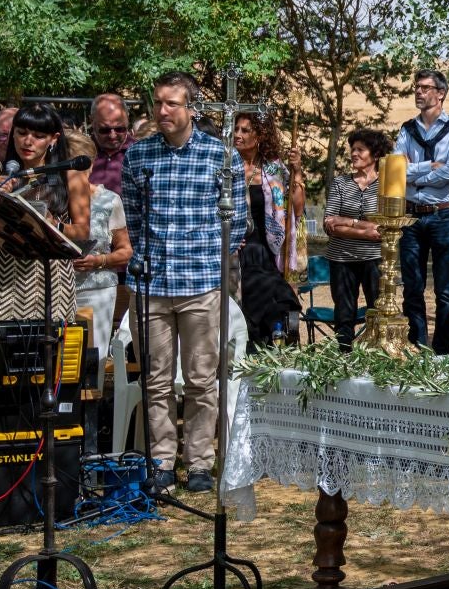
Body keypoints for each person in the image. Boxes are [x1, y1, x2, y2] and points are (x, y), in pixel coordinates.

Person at [121, 73, 248, 494]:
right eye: (157, 103)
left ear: (192, 108)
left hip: (200, 284)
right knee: (155, 380)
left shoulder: (222, 157)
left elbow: (238, 223)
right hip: (153, 286)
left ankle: (198, 463)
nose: (162, 111)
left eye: (172, 103)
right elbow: (133, 220)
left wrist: (210, 259)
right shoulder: (138, 157)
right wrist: (145, 260)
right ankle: (159, 463)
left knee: (200, 379)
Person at [0, 103, 92, 324]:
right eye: (21, 133)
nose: (28, 141)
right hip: (1, 280)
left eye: (39, 135)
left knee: (49, 352)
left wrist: (52, 223)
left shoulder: (70, 175)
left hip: (51, 279)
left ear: (54, 138)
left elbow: (82, 232)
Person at [395, 70, 449, 355]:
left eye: (425, 87)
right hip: (411, 216)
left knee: (445, 289)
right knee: (412, 286)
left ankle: (442, 351)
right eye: (417, 87)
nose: (419, 92)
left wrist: (413, 174)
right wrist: (429, 167)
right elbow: (397, 171)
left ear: (441, 93)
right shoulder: (406, 130)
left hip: (444, 215)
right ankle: (418, 346)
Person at [64, 129, 131, 364]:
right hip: (58, 289)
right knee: (60, 360)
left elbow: (125, 250)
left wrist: (98, 261)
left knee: (94, 358)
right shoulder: (54, 198)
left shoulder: (108, 200)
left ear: (92, 163)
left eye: (82, 164)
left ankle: (91, 401)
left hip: (97, 290)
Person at [234, 111, 299, 350]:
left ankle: (273, 344)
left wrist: (297, 171)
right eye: (236, 129)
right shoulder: (226, 167)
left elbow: (296, 207)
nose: (238, 135)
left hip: (266, 246)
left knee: (274, 292)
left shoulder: (273, 169)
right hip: (236, 246)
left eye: (245, 130)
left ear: (260, 135)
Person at [321, 128, 389, 349]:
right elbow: (329, 224)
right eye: (352, 149)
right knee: (344, 313)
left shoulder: (386, 185)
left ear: (375, 154)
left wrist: (345, 220)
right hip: (341, 258)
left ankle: (377, 357)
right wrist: (363, 227)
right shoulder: (341, 183)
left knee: (377, 309)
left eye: (360, 149)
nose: (354, 153)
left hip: (374, 259)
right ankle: (344, 357)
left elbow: (383, 230)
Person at [87, 92, 131, 192]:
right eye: (104, 130)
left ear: (127, 119)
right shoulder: (81, 151)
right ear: (91, 121)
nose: (112, 135)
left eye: (119, 129)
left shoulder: (140, 152)